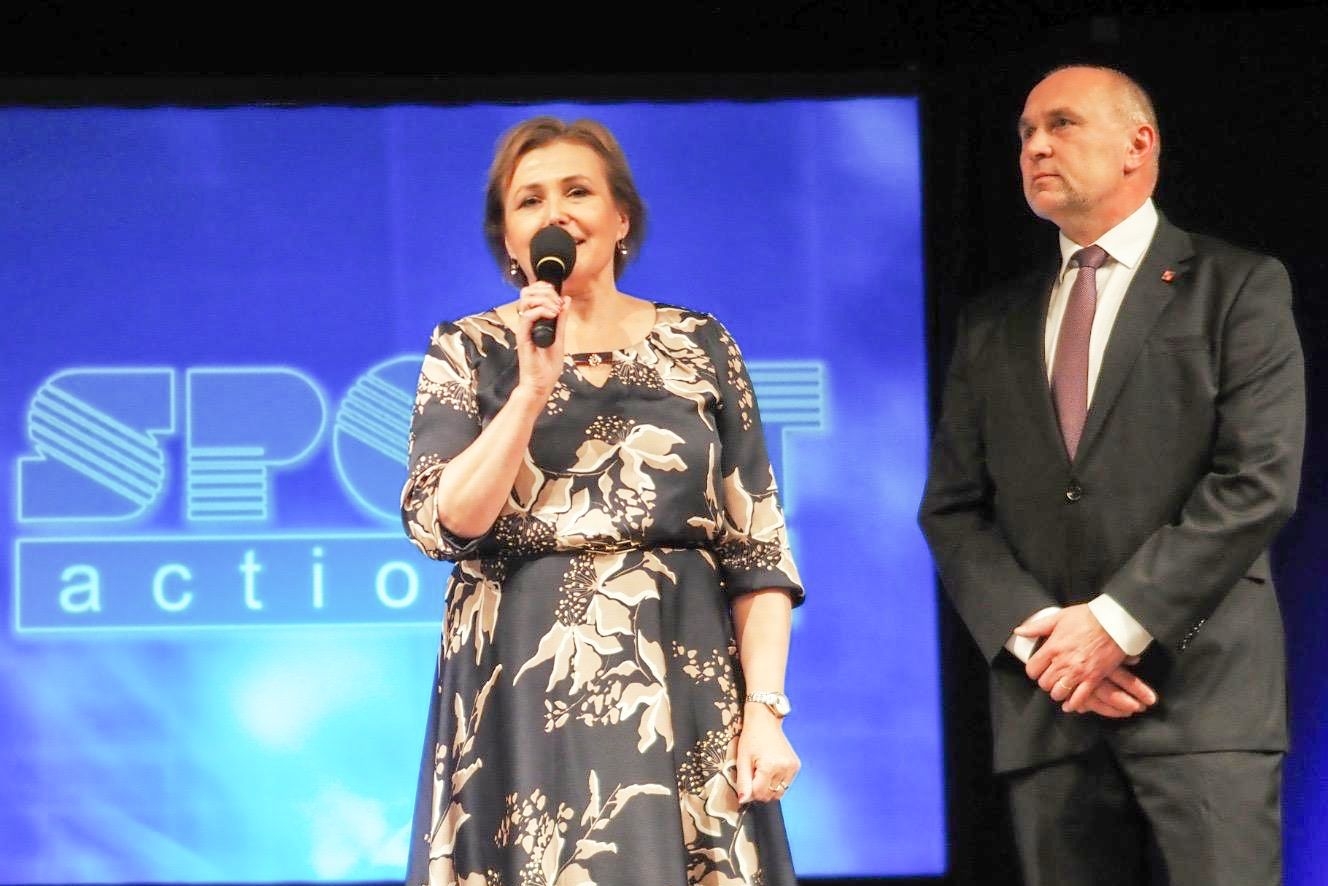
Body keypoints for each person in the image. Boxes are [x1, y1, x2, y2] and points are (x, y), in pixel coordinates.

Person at [918, 64, 1305, 886]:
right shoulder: (993, 322)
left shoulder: (1237, 286)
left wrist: (1117, 624)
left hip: (1201, 703)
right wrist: (1043, 642)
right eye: (1026, 133)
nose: (1036, 146)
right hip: (1050, 710)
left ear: (1139, 145)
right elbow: (952, 509)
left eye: (1061, 124)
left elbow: (1257, 480)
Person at [399, 115, 805, 886]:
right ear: (509, 239)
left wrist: (764, 710)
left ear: (621, 218)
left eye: (577, 191)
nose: (555, 213)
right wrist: (531, 391)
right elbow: (444, 520)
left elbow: (756, 547)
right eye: (529, 200)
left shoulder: (701, 344)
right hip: (520, 693)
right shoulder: (469, 349)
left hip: (682, 684)